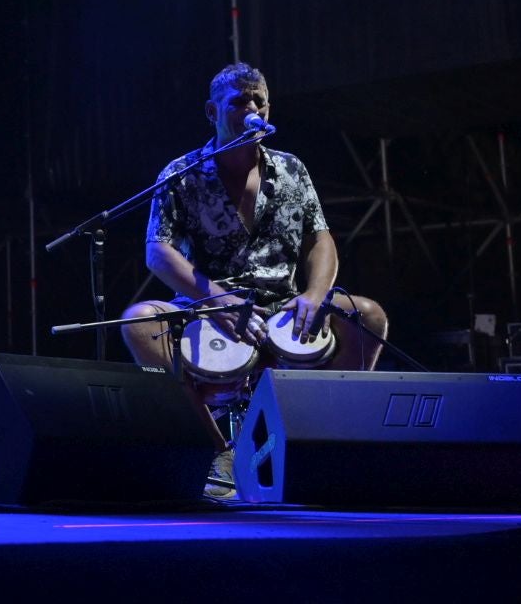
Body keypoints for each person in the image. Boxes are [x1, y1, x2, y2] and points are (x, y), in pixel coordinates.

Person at [120, 61, 388, 494]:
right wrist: (216, 298)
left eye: (259, 101)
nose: (252, 109)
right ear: (211, 112)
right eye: (239, 101)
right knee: (139, 321)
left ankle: (323, 440)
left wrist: (316, 294)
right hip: (206, 307)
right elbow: (158, 252)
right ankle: (214, 452)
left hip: (282, 304)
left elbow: (320, 239)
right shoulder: (180, 173)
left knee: (369, 317)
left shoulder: (292, 169)